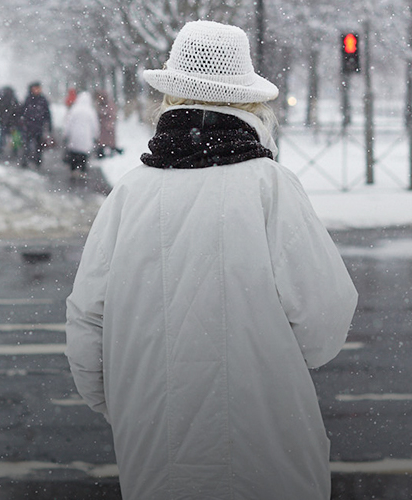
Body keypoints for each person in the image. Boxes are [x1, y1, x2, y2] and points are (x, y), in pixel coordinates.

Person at [65, 20, 358, 500]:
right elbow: (324, 318)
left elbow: (87, 324)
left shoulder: (129, 195)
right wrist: (269, 362)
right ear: (248, 103)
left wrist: (129, 403)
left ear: (172, 97)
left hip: (154, 454)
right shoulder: (270, 188)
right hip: (268, 450)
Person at [62, 91, 99, 178]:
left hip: (75, 136)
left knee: (74, 154)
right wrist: (95, 135)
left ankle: (73, 170)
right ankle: (82, 170)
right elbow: (95, 125)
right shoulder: (91, 111)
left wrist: (66, 134)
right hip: (86, 137)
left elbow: (68, 123)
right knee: (83, 155)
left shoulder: (74, 109)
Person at [18, 81, 52, 168]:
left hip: (38, 127)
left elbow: (47, 114)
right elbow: (22, 112)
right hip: (28, 126)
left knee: (38, 146)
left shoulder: (42, 100)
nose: (37, 90)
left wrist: (49, 126)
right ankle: (25, 160)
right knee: (27, 145)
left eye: (38, 88)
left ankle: (37, 161)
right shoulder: (28, 99)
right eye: (36, 88)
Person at [94, 89, 123, 157]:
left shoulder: (109, 104)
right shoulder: (100, 104)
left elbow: (112, 114)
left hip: (107, 127)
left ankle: (111, 151)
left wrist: (109, 124)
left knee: (109, 141)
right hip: (102, 127)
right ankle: (102, 152)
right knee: (102, 141)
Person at [0, 86, 20, 160]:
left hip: (4, 122)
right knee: (14, 137)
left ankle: (1, 149)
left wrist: (0, 119)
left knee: (2, 136)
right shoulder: (14, 100)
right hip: (12, 122)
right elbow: (18, 110)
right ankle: (15, 150)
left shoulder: (2, 99)